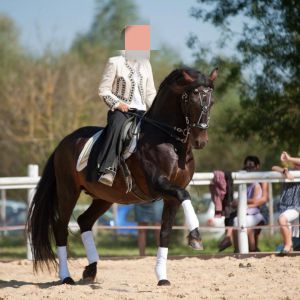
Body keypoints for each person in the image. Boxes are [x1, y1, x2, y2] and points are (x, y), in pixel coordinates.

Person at [97, 25, 156, 186]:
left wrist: (156, 110)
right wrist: (117, 103)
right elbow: (103, 90)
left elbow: (150, 93)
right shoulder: (115, 62)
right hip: (122, 111)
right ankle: (108, 168)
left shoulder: (146, 65)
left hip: (142, 112)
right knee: (116, 126)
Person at [232, 156, 268, 252]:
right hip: (248, 210)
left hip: (258, 211)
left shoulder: (260, 181)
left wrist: (244, 202)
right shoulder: (246, 182)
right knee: (235, 222)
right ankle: (238, 249)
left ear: (257, 167)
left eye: (251, 166)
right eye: (247, 166)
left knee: (248, 228)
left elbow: (262, 199)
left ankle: (251, 250)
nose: (249, 169)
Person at [272, 151, 300, 255]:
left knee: (282, 219)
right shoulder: (289, 172)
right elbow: (274, 167)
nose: (296, 165)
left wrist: (289, 158)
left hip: (295, 207)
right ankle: (288, 245)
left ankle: (288, 245)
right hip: (284, 207)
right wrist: (284, 171)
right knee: (285, 227)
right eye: (295, 164)